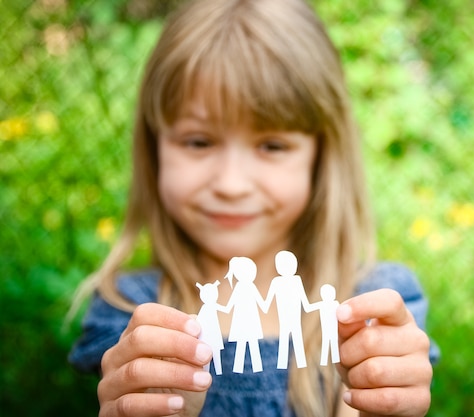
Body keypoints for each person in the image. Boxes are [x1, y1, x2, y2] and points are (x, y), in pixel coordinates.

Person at [68, 0, 439, 416]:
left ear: (320, 158)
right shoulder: (130, 315)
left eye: (272, 146)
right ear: (154, 148)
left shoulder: (374, 307)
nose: (231, 184)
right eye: (198, 142)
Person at [263, 250, 312, 369]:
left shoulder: (296, 281)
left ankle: (292, 363)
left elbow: (305, 303)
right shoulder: (277, 282)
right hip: (285, 318)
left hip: (294, 318)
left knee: (295, 339)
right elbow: (267, 302)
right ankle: (283, 364)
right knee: (289, 340)